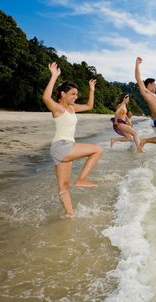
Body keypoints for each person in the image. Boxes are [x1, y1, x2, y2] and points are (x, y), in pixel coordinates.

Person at [42, 62, 103, 217]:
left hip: (62, 149)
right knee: (97, 150)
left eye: (76, 94)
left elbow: (89, 106)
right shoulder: (58, 108)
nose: (76, 97)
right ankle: (82, 179)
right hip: (62, 147)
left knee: (63, 187)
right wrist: (54, 76)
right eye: (73, 94)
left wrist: (91, 90)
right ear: (63, 94)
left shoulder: (72, 108)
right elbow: (46, 97)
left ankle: (69, 214)